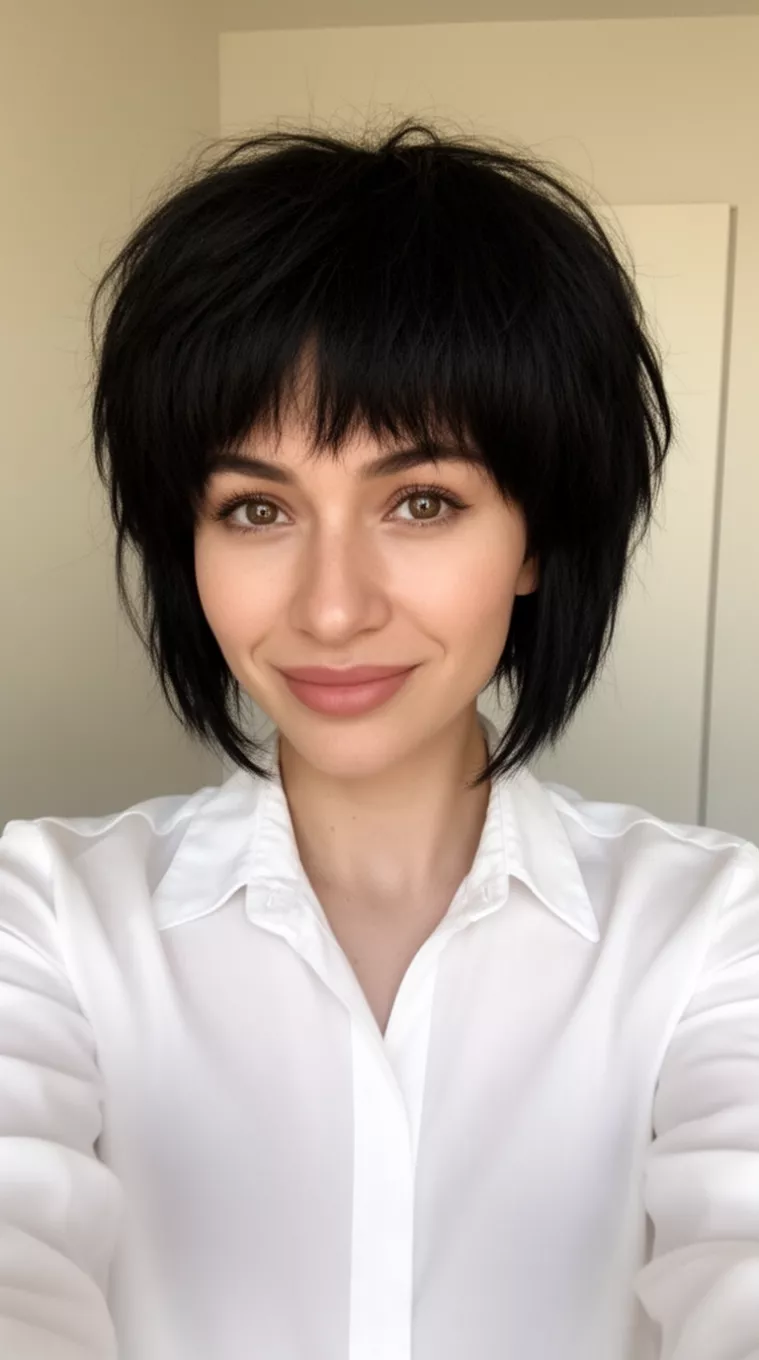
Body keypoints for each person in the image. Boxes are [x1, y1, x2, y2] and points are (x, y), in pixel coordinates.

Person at [0, 119, 757, 1360]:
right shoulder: (48, 920)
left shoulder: (715, 933)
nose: (333, 604)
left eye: (421, 501)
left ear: (533, 541)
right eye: (255, 507)